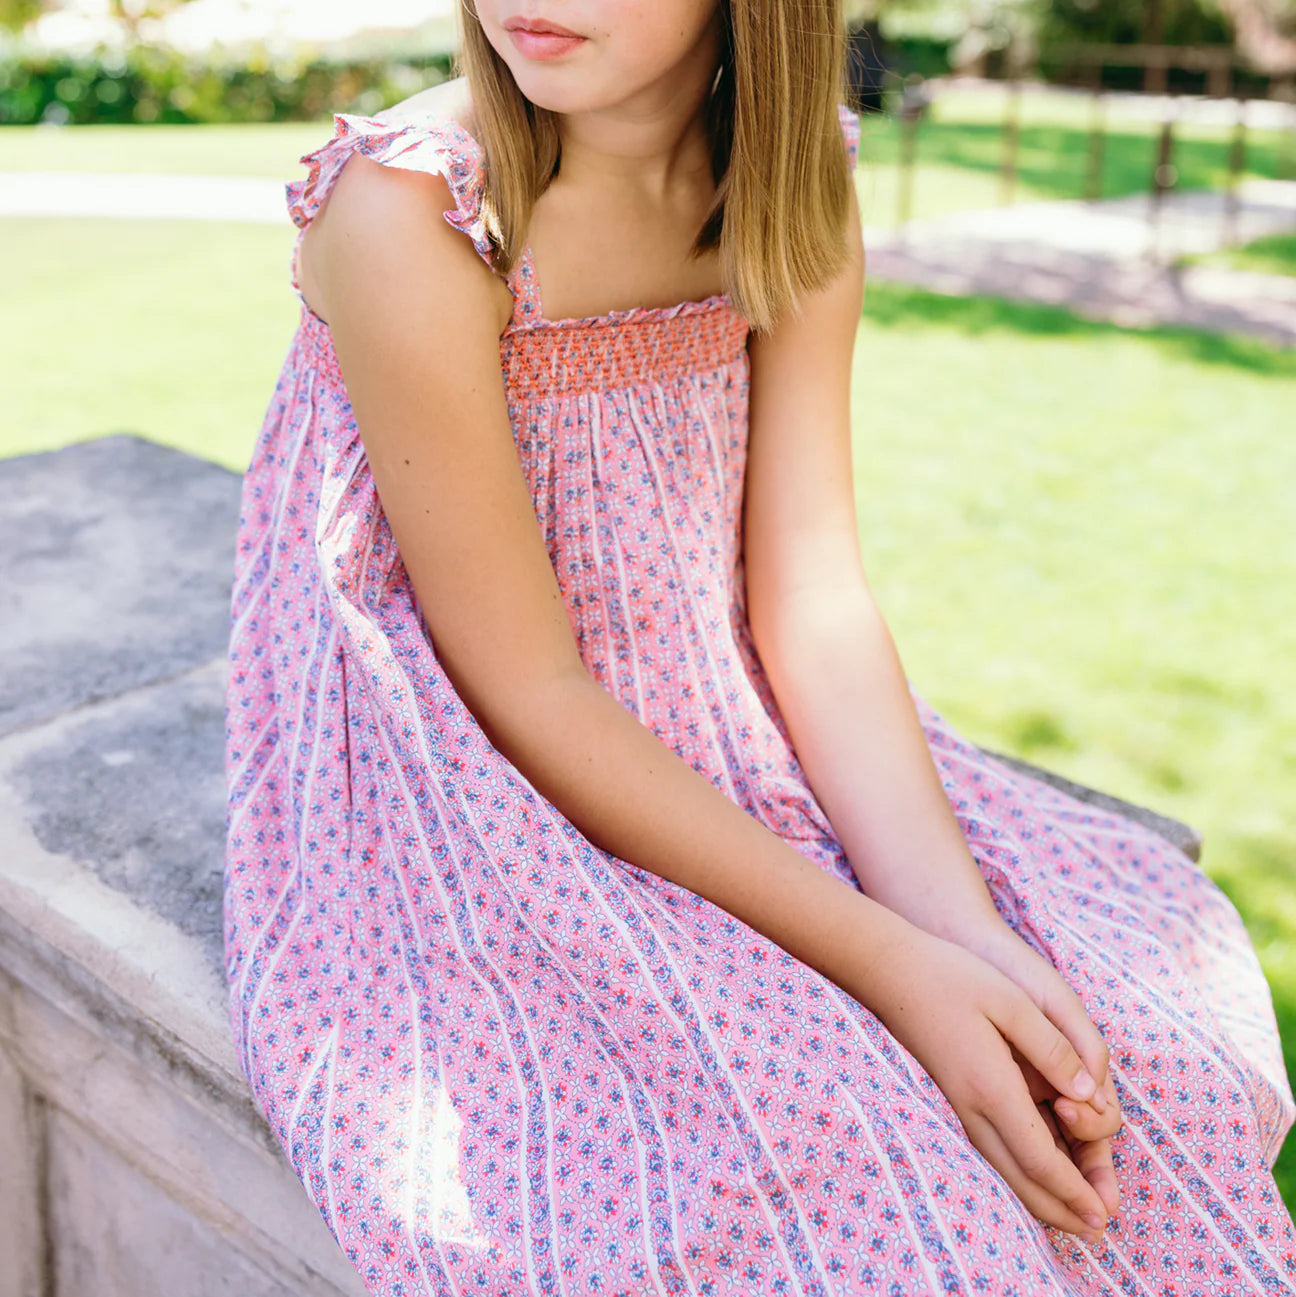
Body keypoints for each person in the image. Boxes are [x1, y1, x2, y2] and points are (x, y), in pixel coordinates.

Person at [221, 1, 1296, 1292]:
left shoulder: (793, 181)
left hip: (728, 705)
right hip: (469, 764)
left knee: (1137, 1062)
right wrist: (895, 965)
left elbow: (812, 590)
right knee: (866, 1179)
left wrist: (961, 933)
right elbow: (525, 686)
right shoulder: (417, 214)